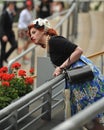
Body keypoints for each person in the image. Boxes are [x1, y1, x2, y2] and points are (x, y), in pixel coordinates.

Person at [27, 18, 104, 130]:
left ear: (43, 30)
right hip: (78, 79)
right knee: (88, 117)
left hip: (83, 78)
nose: (32, 36)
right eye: (30, 35)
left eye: (34, 32)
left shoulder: (54, 40)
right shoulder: (50, 43)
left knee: (89, 117)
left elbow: (79, 50)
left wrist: (61, 67)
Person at [0, 2, 18, 68]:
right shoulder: (4, 14)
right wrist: (3, 35)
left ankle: (5, 57)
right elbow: (1, 26)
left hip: (10, 34)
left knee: (15, 45)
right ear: (8, 6)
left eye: (13, 6)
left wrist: (13, 15)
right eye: (11, 5)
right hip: (4, 34)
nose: (13, 7)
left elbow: (10, 23)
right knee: (3, 49)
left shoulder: (11, 13)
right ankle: (0, 65)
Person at [18, 0, 34, 64]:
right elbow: (21, 22)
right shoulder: (24, 12)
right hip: (23, 29)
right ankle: (24, 57)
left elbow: (29, 21)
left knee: (29, 41)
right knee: (27, 42)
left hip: (26, 29)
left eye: (30, 5)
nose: (29, 6)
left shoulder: (28, 12)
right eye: (28, 5)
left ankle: (21, 49)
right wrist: (27, 29)